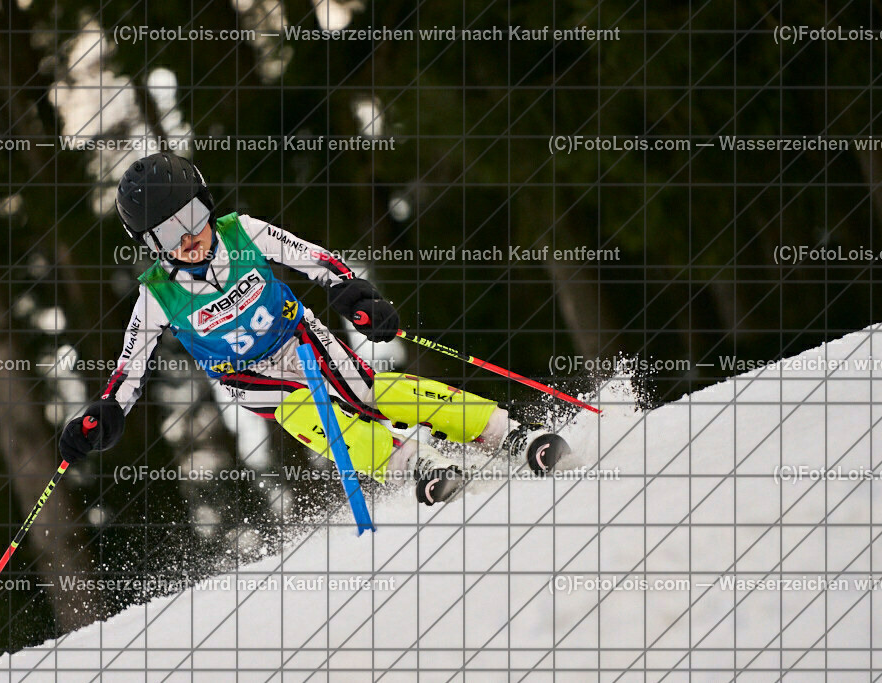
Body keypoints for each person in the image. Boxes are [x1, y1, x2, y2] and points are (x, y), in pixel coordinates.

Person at [59, 152, 570, 505]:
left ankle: (510, 435)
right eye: (167, 232)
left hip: (300, 336)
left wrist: (358, 295)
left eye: (192, 215)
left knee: (370, 393)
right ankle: (422, 466)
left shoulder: (244, 232)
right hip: (252, 378)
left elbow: (320, 263)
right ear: (149, 243)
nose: (188, 236)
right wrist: (104, 414)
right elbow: (129, 370)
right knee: (323, 421)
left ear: (206, 202)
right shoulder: (157, 294)